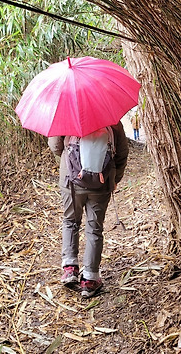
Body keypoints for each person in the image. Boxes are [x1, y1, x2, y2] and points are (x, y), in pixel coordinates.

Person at [48, 121, 129, 298]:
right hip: (102, 182)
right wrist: (115, 178)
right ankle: (90, 279)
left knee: (71, 221)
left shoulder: (67, 115)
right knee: (94, 228)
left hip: (71, 181)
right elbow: (122, 153)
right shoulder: (112, 119)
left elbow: (55, 145)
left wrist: (66, 160)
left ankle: (70, 269)